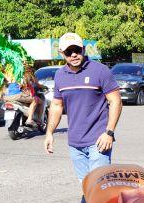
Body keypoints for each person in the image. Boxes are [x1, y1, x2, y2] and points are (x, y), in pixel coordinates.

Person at [44, 33, 122, 184]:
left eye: (77, 50)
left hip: (99, 141)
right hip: (75, 144)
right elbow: (56, 105)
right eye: (68, 52)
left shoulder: (100, 70)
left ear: (83, 49)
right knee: (86, 186)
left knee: (99, 186)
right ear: (61, 53)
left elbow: (116, 102)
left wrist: (109, 133)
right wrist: (49, 133)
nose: (73, 55)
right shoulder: (60, 75)